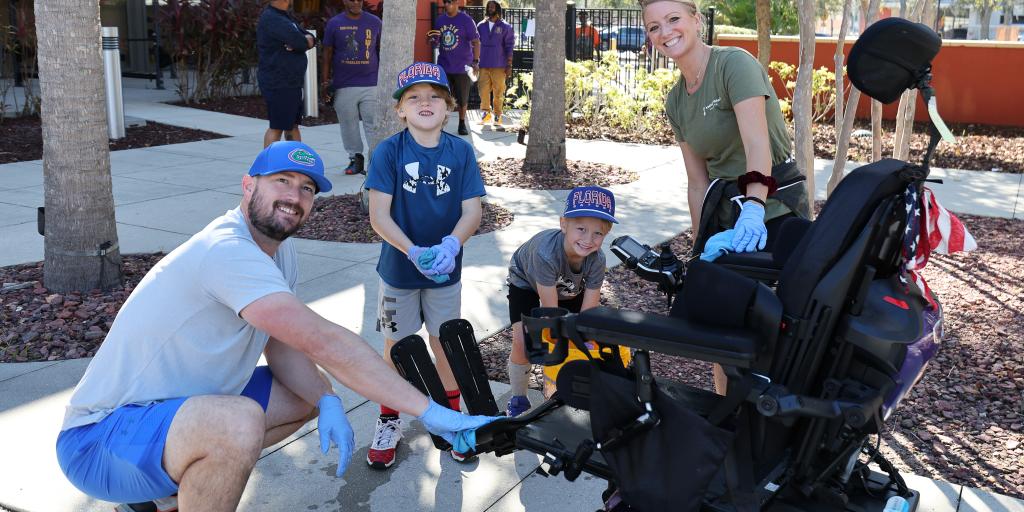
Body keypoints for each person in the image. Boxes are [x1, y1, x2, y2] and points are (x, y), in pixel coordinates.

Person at [55, 141, 495, 512]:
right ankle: (162, 491)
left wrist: (325, 400)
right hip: (100, 440)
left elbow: (282, 344)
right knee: (238, 422)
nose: (295, 195)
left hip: (172, 411)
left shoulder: (278, 251)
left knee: (301, 395)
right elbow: (320, 340)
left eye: (307, 188)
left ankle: (161, 497)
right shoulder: (226, 250)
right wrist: (432, 412)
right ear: (248, 185)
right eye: (281, 181)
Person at [641, 0, 810, 392]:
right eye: (654, 28)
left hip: (776, 207)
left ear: (696, 20)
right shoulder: (676, 100)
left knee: (785, 322)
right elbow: (697, 182)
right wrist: (701, 247)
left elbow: (757, 145)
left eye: (673, 20)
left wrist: (754, 208)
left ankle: (782, 419)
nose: (665, 32)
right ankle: (727, 411)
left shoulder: (733, 64)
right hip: (726, 219)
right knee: (724, 325)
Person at [364, 61, 486, 470]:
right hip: (399, 271)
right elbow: (379, 216)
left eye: (434, 95)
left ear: (448, 106)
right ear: (400, 109)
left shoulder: (462, 151)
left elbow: (472, 210)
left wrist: (453, 243)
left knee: (443, 341)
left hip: (445, 272)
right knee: (397, 345)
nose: (425, 102)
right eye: (414, 97)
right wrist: (413, 250)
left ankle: (450, 420)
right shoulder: (388, 152)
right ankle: (388, 419)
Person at [504, 186, 617, 416]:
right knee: (524, 341)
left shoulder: (597, 259)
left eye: (598, 233)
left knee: (577, 340)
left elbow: (588, 310)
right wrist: (559, 338)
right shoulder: (546, 253)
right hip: (526, 279)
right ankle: (518, 399)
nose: (588, 239)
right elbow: (550, 312)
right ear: (563, 224)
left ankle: (559, 397)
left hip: (567, 286)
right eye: (581, 229)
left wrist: (582, 338)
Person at [321, 0, 382, 176]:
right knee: (349, 125)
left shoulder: (375, 22)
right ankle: (355, 158)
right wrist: (325, 83)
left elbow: (381, 50)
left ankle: (377, 161)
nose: (356, 2)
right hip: (344, 84)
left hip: (371, 83)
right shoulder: (335, 23)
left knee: (373, 124)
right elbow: (327, 54)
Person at [257, 0, 315, 148]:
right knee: (277, 126)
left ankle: (295, 164)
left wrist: (306, 40)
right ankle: (268, 168)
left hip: (291, 82)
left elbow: (310, 37)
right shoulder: (272, 18)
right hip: (279, 82)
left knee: (292, 126)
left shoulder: (285, 17)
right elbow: (301, 42)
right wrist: (303, 41)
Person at [432, 0, 480, 136]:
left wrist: (476, 61)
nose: (447, 5)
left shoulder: (466, 20)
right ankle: (440, 124)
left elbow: (476, 42)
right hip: (444, 66)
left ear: (456, 3)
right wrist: (432, 40)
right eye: (445, 2)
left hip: (462, 67)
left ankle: (462, 123)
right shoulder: (440, 20)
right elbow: (436, 40)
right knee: (442, 98)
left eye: (450, 2)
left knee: (462, 98)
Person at [475, 0, 515, 127]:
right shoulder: (480, 25)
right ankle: (486, 114)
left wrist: (509, 64)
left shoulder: (506, 27)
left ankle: (497, 115)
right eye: (489, 7)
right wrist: (474, 61)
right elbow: (475, 45)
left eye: (493, 6)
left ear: (498, 8)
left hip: (499, 65)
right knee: (483, 90)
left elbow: (509, 46)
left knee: (498, 91)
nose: (490, 8)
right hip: (483, 64)